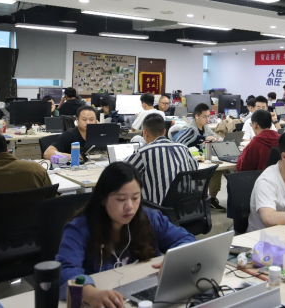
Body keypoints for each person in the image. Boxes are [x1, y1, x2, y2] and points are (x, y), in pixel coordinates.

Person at [56, 163, 196, 304]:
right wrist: (90, 294)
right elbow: (65, 270)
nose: (129, 207)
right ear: (103, 198)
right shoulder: (79, 228)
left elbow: (186, 239)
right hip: (104, 298)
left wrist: (174, 260)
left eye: (135, 198)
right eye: (121, 199)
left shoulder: (150, 218)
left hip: (145, 293)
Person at [124, 113, 198, 204]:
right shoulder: (183, 148)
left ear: (145, 132)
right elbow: (194, 167)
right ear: (165, 131)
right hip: (184, 207)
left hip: (156, 209)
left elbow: (122, 172)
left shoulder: (143, 152)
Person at [173, 103, 224, 209]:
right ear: (196, 116)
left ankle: (212, 199)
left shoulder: (206, 127)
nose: (207, 119)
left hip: (205, 157)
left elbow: (217, 137)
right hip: (192, 159)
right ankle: (196, 200)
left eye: (209, 116)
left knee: (218, 171)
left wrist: (214, 139)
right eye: (205, 117)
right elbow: (185, 146)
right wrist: (203, 142)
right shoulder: (188, 129)